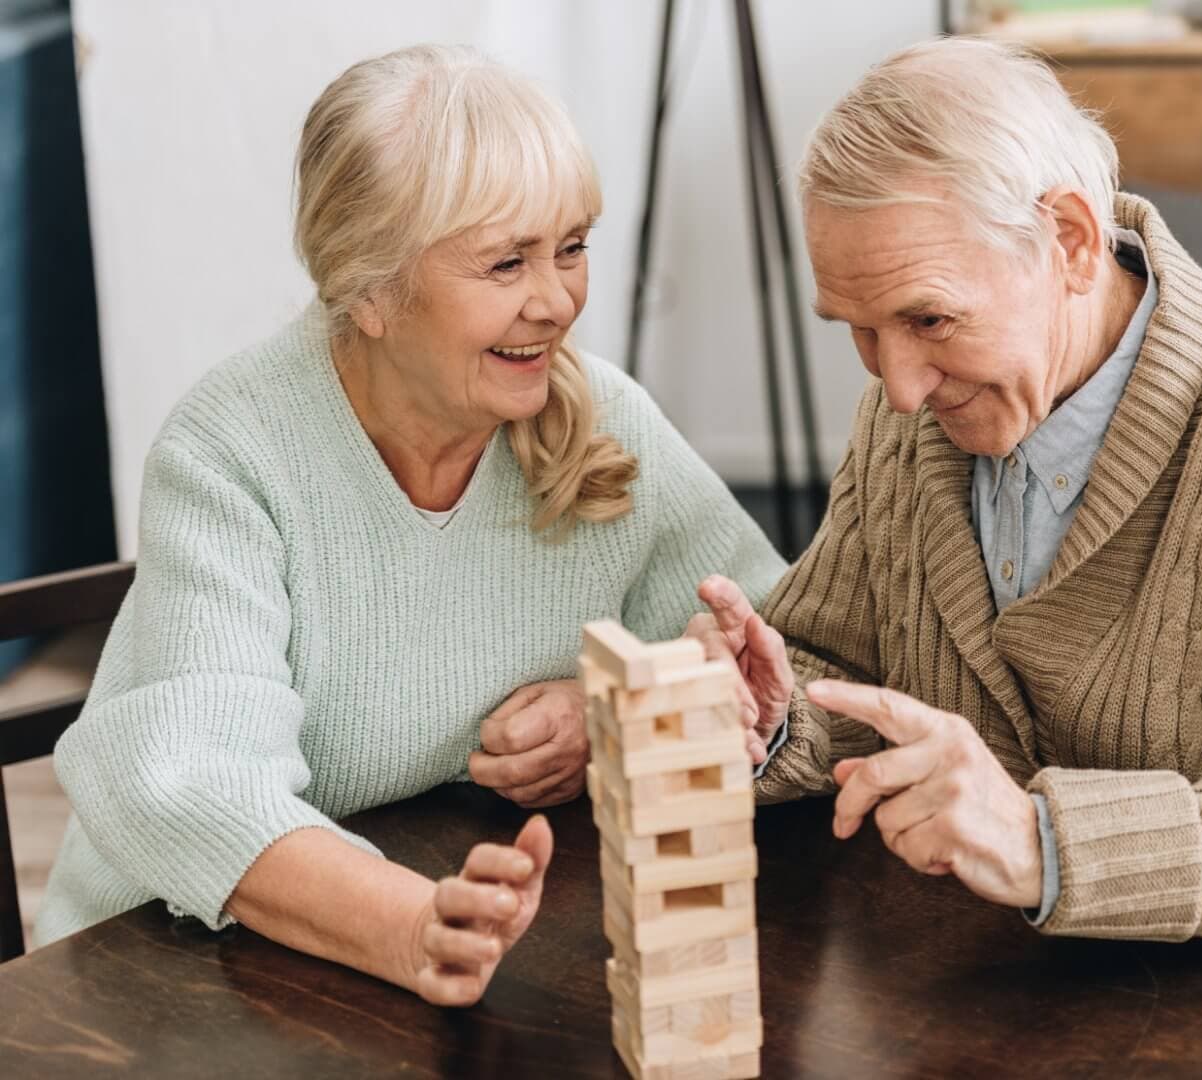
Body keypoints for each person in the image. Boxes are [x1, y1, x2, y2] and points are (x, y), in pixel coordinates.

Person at [37, 45, 784, 1004]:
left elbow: (772, 639)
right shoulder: (231, 451)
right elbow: (192, 788)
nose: (555, 301)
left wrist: (614, 708)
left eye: (572, 246)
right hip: (163, 969)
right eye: (506, 261)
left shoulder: (601, 417)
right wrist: (410, 924)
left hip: (428, 962)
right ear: (370, 290)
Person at [696, 36, 1202, 944]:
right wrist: (774, 712)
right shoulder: (912, 413)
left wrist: (1048, 842)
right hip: (988, 998)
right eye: (860, 331)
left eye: (929, 318)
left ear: (1069, 241)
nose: (898, 385)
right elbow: (848, 674)